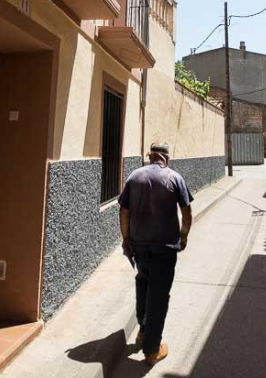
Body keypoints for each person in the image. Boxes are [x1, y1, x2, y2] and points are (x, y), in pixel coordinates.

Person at [118, 142, 193, 366]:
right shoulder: (175, 177)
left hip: (139, 245)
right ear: (167, 158)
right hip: (165, 247)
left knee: (143, 284)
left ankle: (142, 330)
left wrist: (126, 238)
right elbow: (187, 211)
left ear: (149, 156)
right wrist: (184, 235)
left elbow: (123, 211)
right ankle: (152, 349)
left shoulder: (134, 176)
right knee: (159, 295)